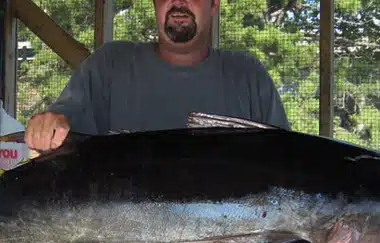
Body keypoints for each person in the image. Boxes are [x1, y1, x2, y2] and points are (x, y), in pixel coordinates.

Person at [24, 0, 290, 152]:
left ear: (214, 5)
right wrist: (48, 128)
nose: (179, 1)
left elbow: (287, 165)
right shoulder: (110, 63)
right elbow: (61, 126)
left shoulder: (249, 75)